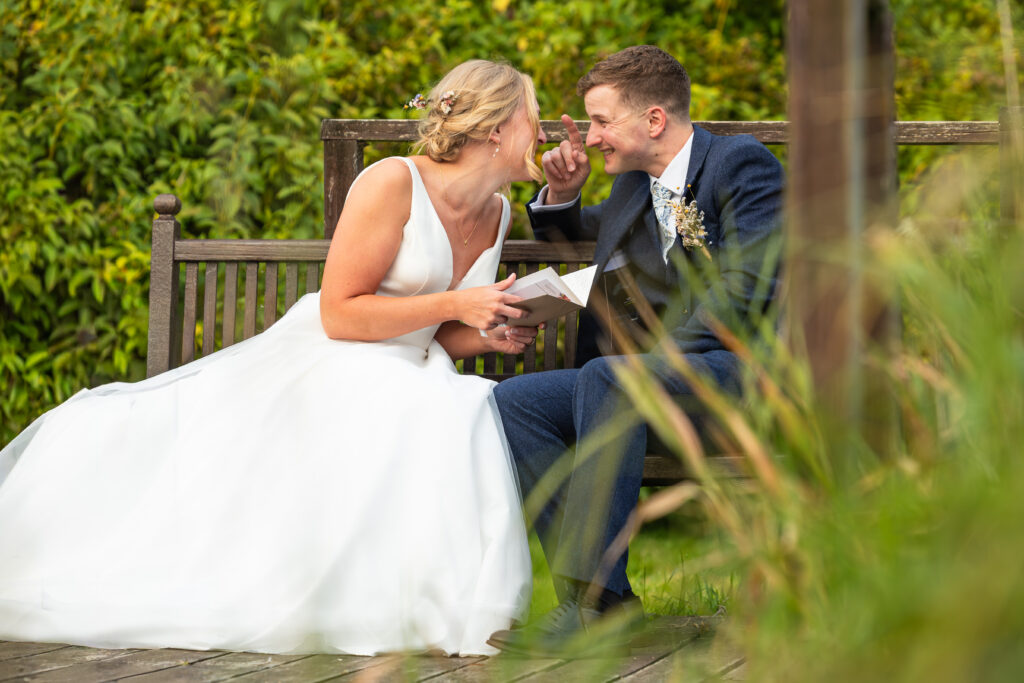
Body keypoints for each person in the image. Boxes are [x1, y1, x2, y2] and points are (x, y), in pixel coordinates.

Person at [0, 59, 548, 657]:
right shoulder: (392, 182)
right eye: (534, 118)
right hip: (336, 357)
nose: (542, 134)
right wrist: (457, 303)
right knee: (433, 409)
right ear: (495, 129)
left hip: (411, 368)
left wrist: (483, 333)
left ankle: (431, 601)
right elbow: (340, 312)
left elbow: (436, 333)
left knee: (456, 402)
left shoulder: (498, 211)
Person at [488, 46, 784, 655]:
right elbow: (586, 228)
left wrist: (657, 362)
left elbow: (748, 287)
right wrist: (562, 194)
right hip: (644, 382)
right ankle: (610, 601)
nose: (591, 138)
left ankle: (585, 608)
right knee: (516, 401)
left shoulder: (741, 165)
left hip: (737, 376)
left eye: (600, 121)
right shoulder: (634, 186)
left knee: (609, 380)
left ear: (653, 120)